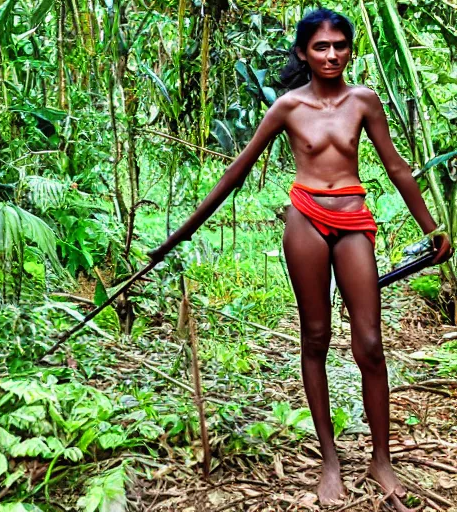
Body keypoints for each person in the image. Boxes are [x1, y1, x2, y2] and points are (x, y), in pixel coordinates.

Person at [149, 7, 453, 508]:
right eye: (320, 46)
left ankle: (382, 459)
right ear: (302, 53)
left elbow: (397, 167)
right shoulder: (288, 107)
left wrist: (432, 226)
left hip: (354, 220)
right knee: (315, 336)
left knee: (371, 343)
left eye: (339, 45)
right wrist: (179, 234)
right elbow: (235, 174)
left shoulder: (364, 102)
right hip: (305, 219)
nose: (331, 54)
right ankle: (330, 459)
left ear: (349, 50)